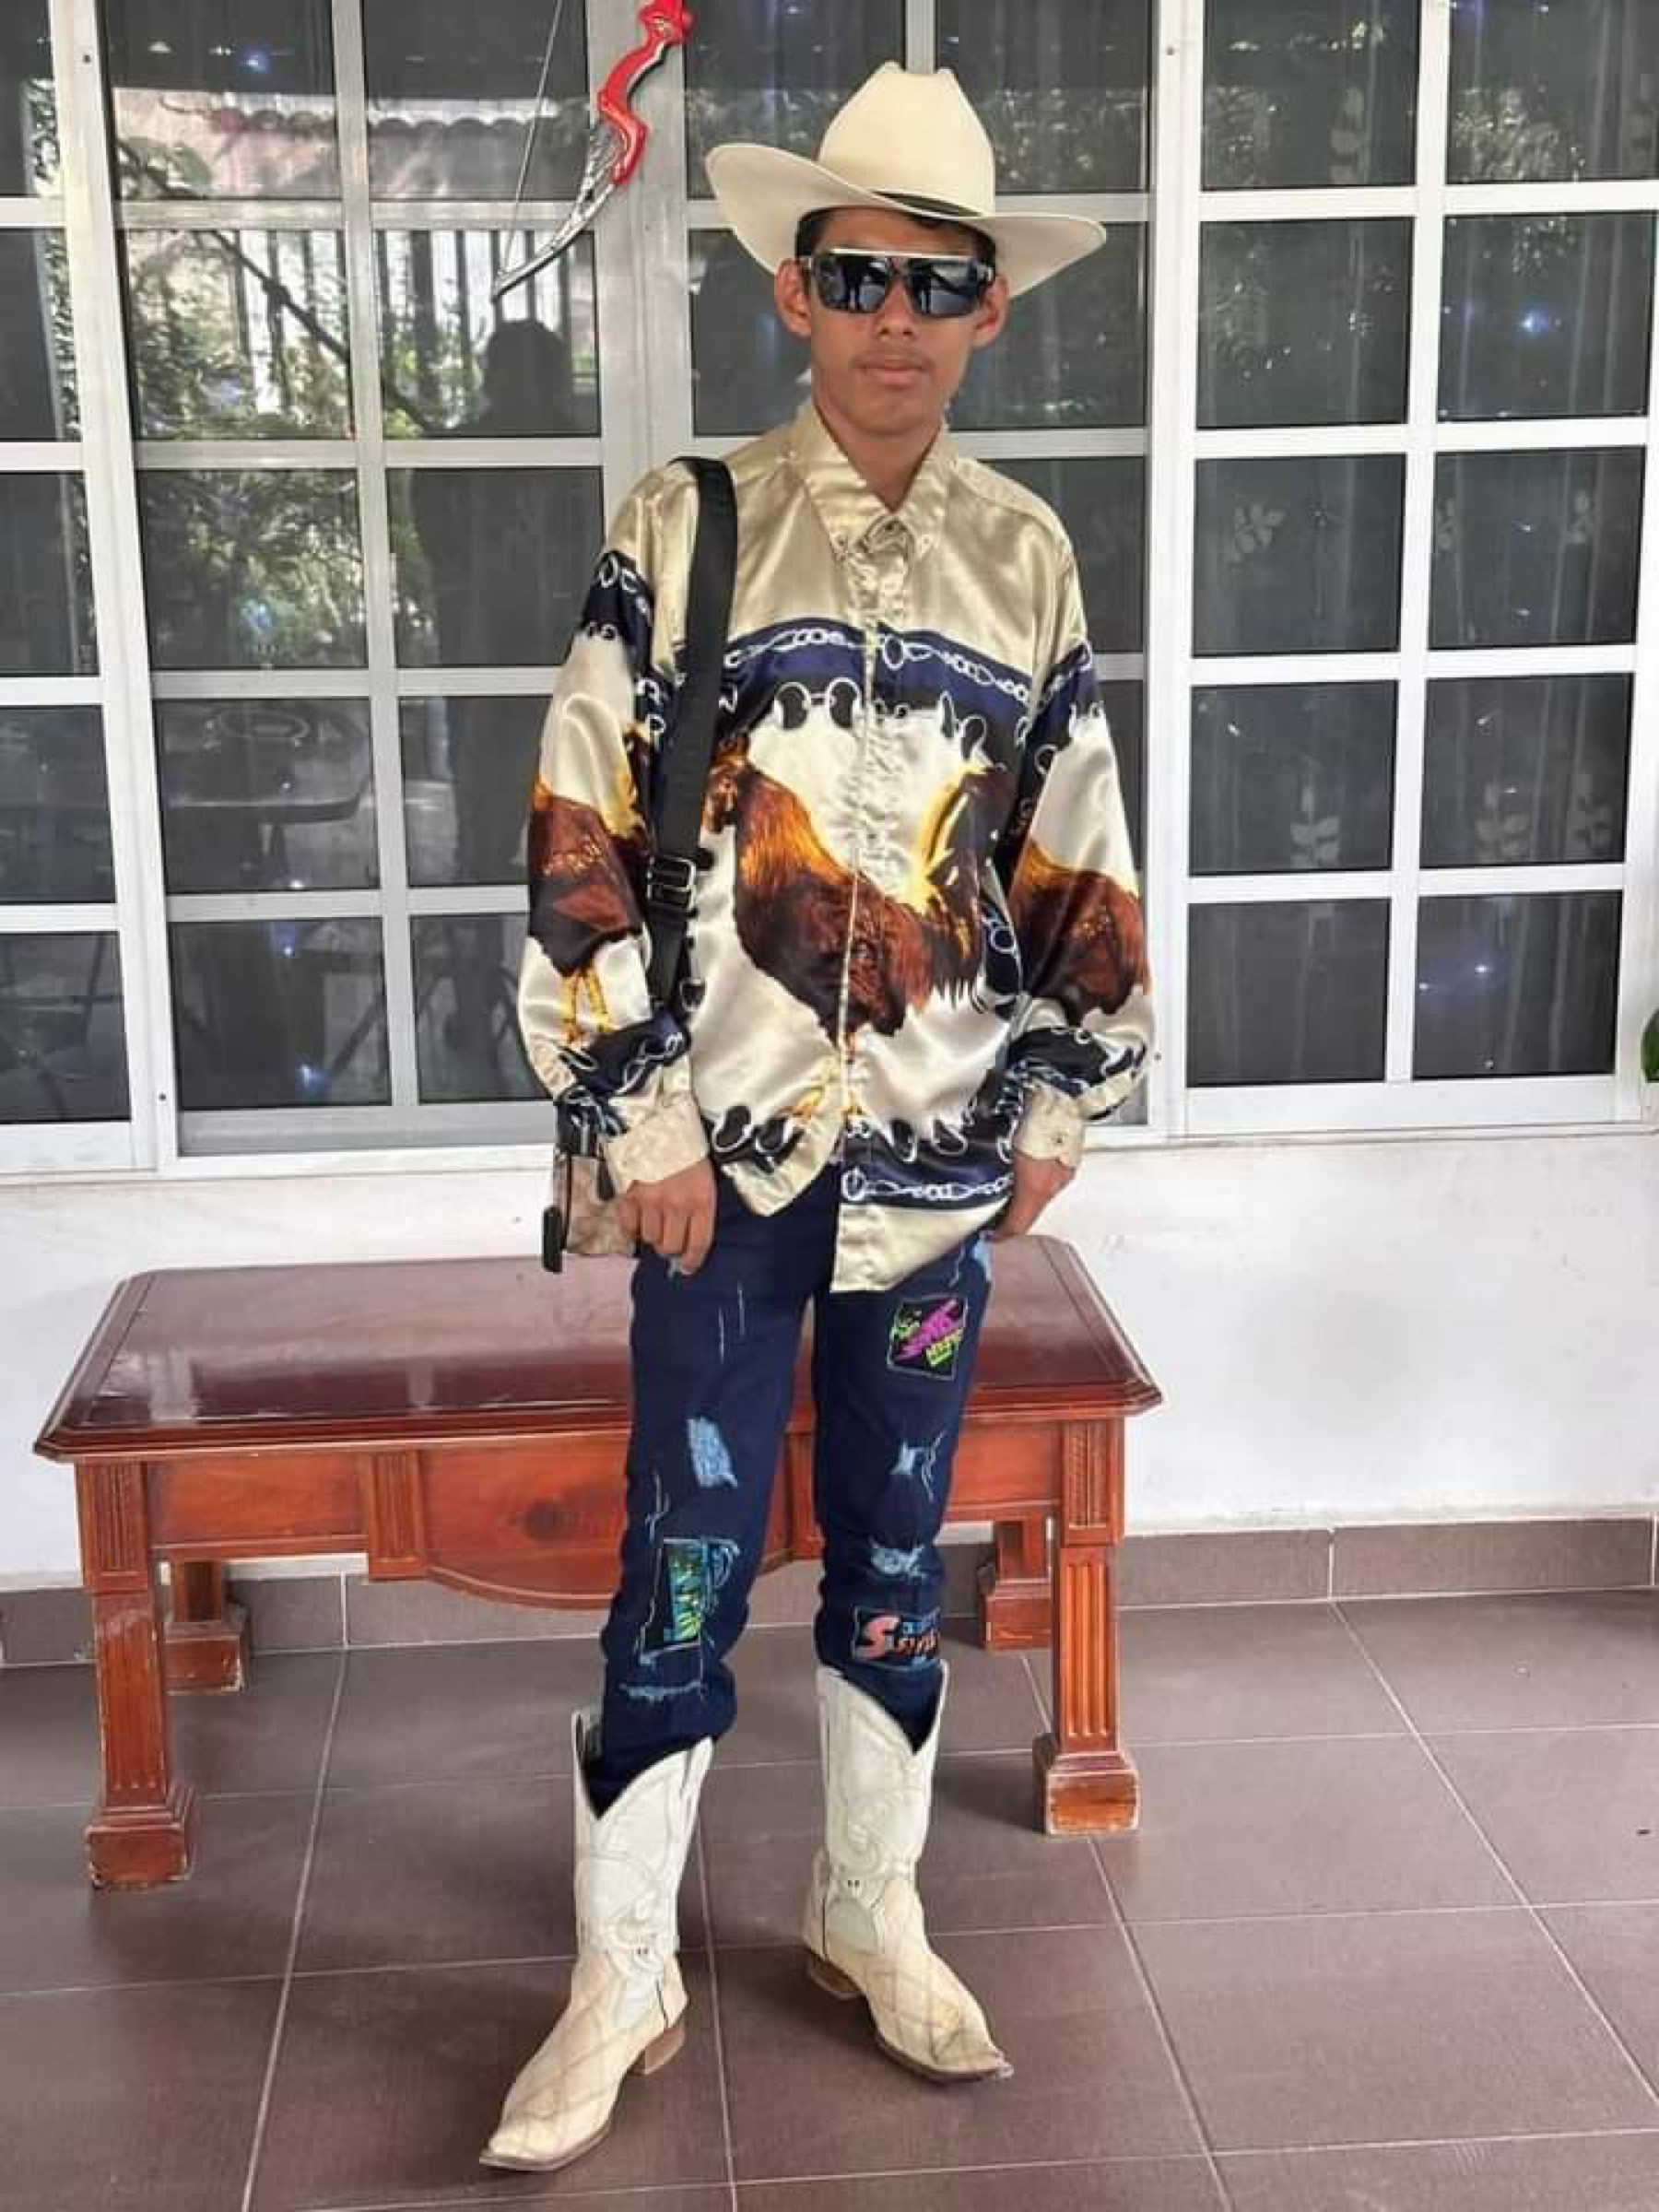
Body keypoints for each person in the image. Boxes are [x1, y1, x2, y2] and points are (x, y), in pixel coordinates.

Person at [483, 61, 1154, 2175]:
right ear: (793, 288)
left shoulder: (1026, 556)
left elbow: (1069, 836)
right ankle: (623, 1969)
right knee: (683, 1554)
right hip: (724, 1168)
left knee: (891, 1549)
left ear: (990, 309)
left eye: (936, 283)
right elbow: (578, 830)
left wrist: (1065, 1083)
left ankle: (871, 1908)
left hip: (936, 1176)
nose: (893, 318)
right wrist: (636, 1115)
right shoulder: (683, 528)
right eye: (856, 275)